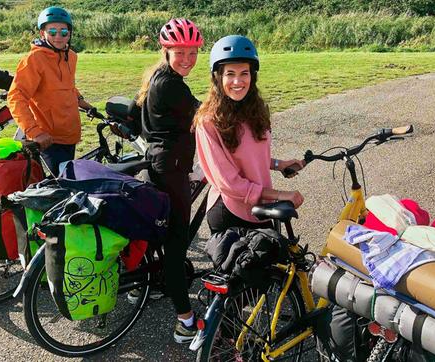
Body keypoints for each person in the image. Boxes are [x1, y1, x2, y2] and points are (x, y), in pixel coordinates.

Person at [130, 18, 204, 343]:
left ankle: (146, 284)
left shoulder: (157, 77)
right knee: (176, 245)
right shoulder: (172, 85)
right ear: (166, 50)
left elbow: (134, 116)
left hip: (159, 163)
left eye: (192, 52)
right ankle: (185, 322)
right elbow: (203, 114)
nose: (187, 58)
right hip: (171, 169)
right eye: (180, 52)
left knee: (163, 234)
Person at [193, 35, 305, 235]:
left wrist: (279, 164)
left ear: (252, 76)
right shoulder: (208, 122)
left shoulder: (255, 110)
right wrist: (279, 195)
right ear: (218, 77)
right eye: (230, 74)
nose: (238, 81)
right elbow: (229, 182)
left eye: (244, 73)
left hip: (260, 207)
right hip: (231, 211)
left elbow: (247, 155)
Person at [7, 6, 97, 175]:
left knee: (69, 180)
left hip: (70, 134)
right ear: (43, 34)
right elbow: (16, 97)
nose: (58, 36)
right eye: (52, 31)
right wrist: (34, 132)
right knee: (58, 188)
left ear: (69, 34)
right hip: (48, 139)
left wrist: (82, 102)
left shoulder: (71, 56)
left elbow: (67, 85)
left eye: (64, 32)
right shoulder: (34, 59)